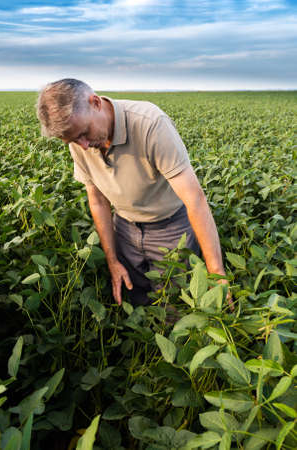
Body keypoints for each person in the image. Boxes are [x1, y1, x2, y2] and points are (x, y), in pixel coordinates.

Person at [36, 78, 232, 308]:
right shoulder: (79, 141)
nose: (84, 146)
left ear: (96, 103)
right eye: (72, 140)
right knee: (137, 300)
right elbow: (97, 201)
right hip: (125, 229)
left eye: (84, 133)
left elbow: (195, 200)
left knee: (174, 307)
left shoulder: (150, 123)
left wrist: (216, 274)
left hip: (170, 230)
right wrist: (112, 260)